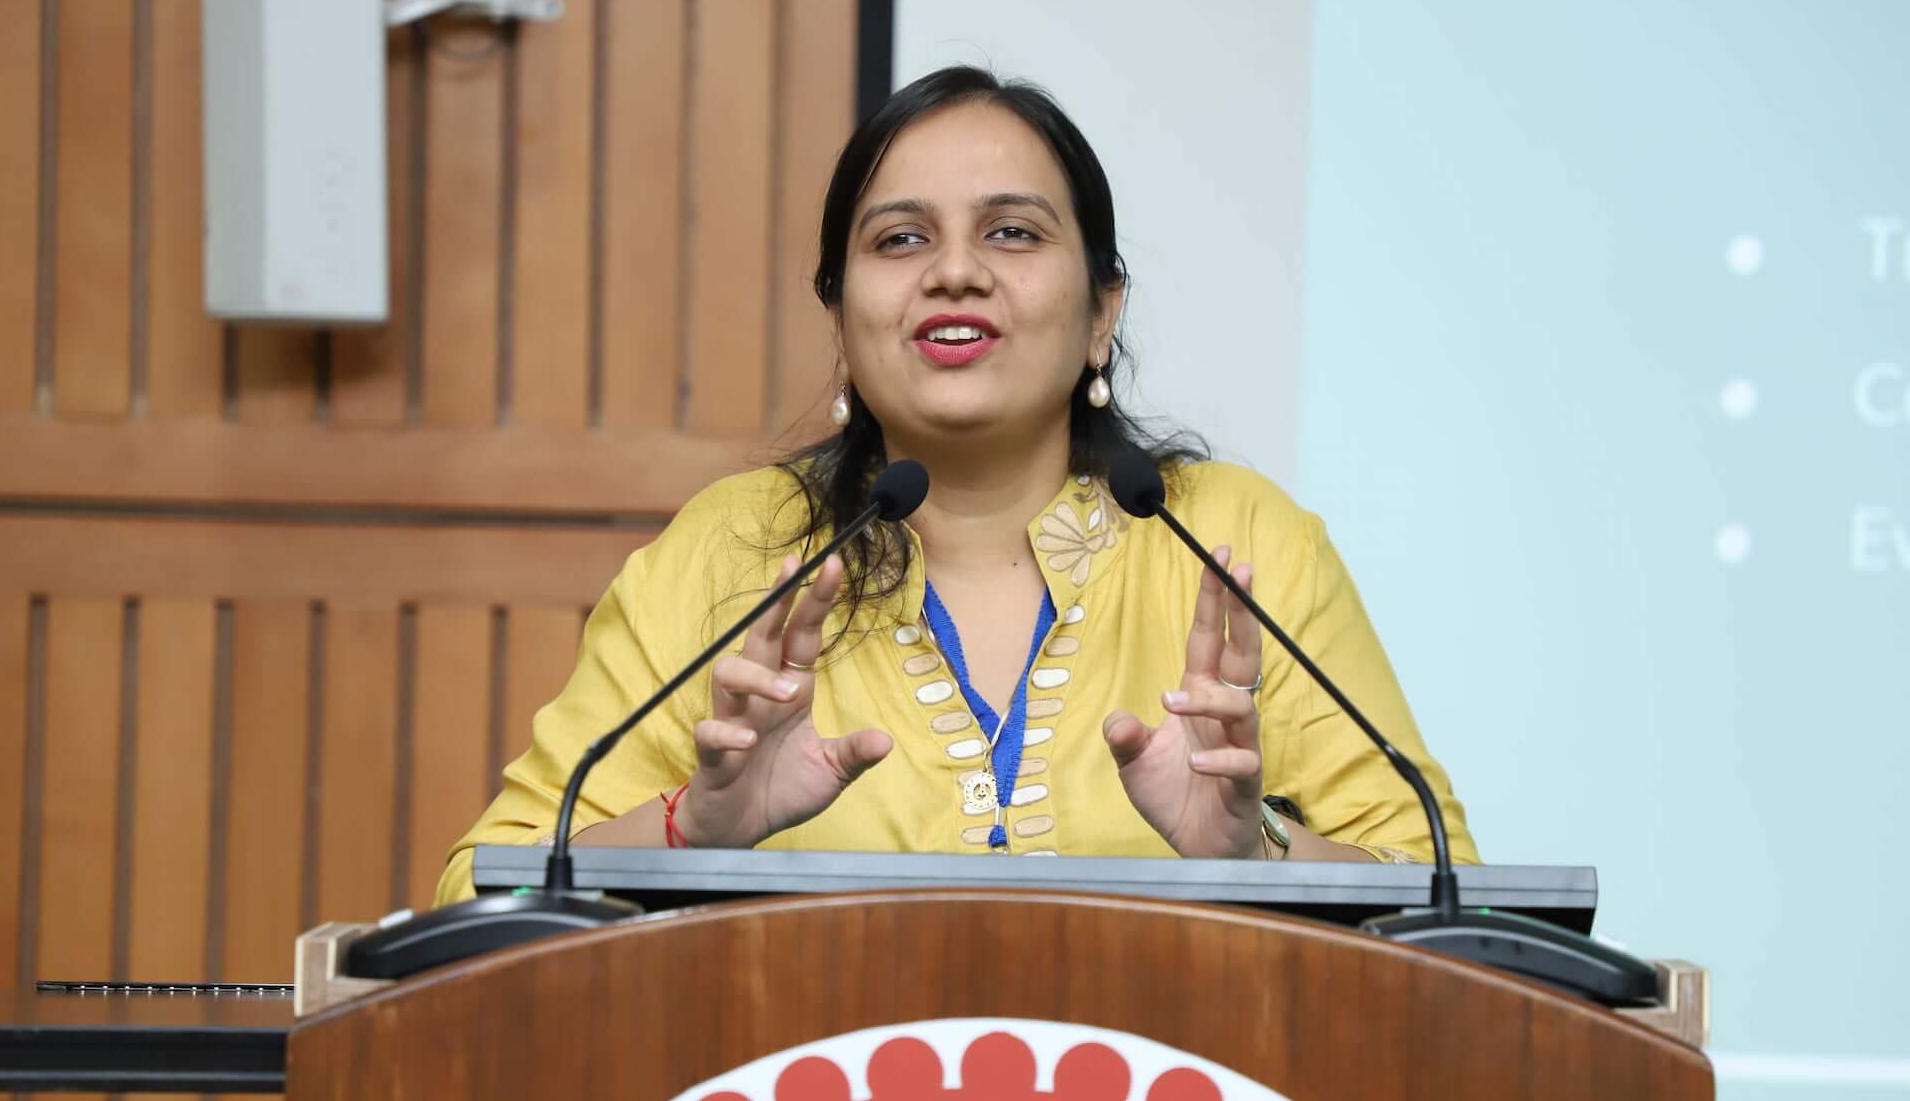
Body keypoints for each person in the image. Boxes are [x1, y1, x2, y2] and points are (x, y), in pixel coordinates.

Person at [436, 66, 1476, 905]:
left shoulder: (1237, 538)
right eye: (901, 239)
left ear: (1102, 308)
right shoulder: (737, 551)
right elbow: (473, 896)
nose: (955, 272)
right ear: (842, 317)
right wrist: (691, 830)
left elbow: (1453, 897)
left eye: (1013, 232)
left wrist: (1255, 854)